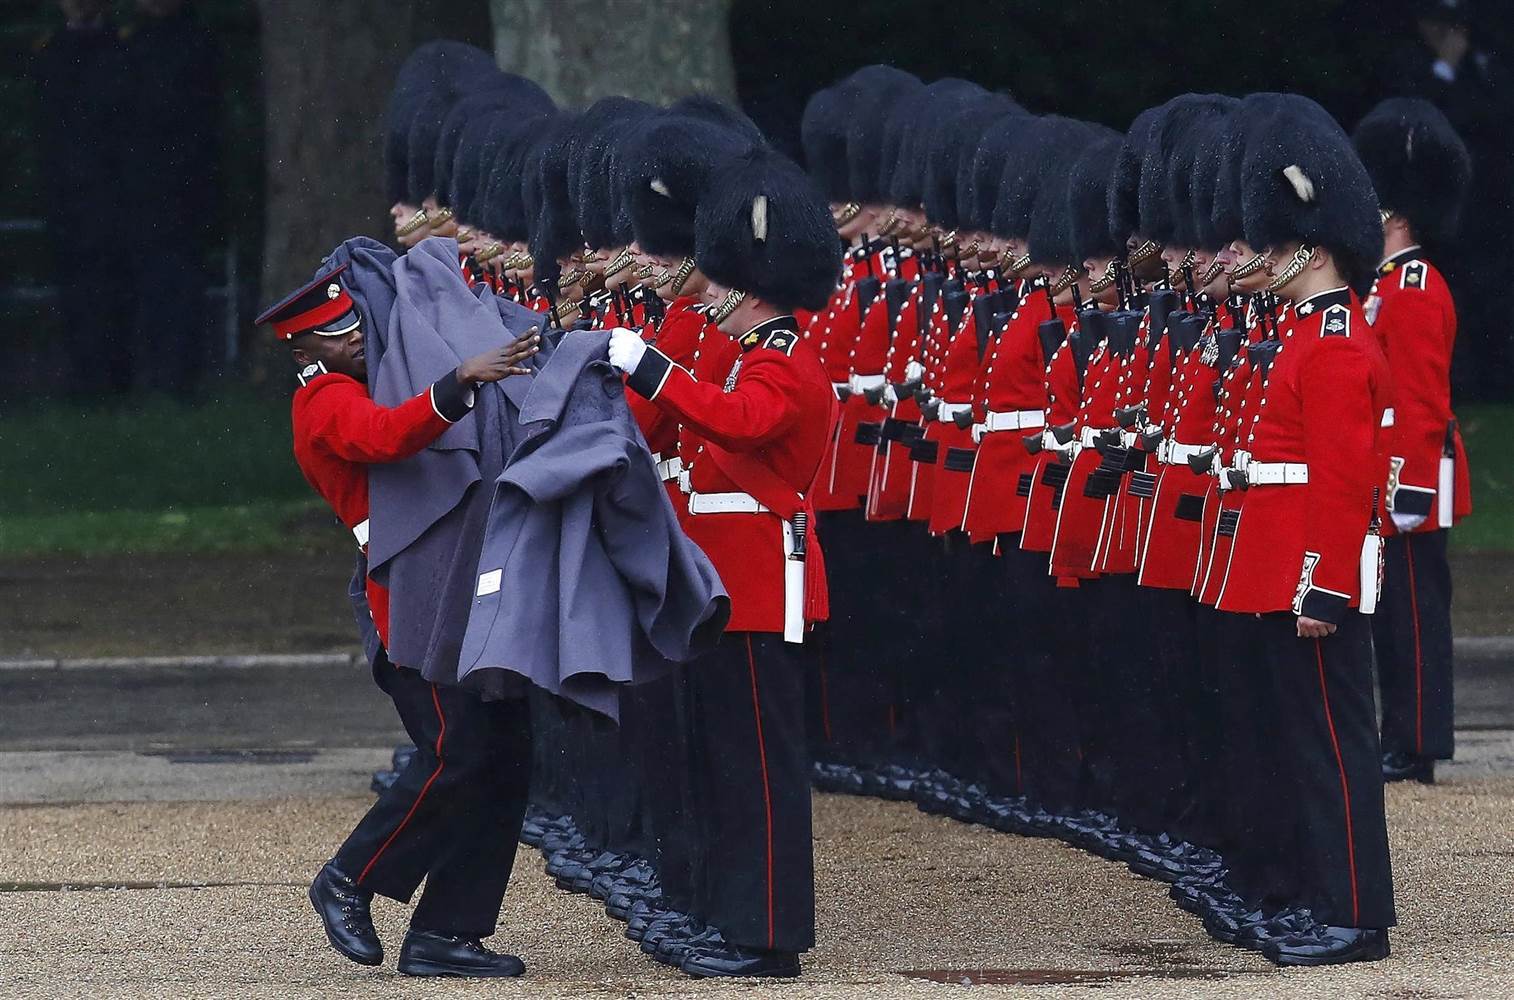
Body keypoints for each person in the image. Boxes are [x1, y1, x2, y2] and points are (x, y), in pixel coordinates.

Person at [256, 264, 541, 978]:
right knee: (457, 748)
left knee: (504, 755)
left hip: (452, 585)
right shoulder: (321, 398)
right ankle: (349, 877)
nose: (355, 341)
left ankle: (448, 930)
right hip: (407, 596)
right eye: (335, 334)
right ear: (304, 353)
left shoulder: (365, 375)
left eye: (356, 326)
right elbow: (384, 437)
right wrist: (461, 381)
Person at [609, 146, 841, 979]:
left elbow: (739, 424)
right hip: (721, 584)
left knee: (759, 774)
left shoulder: (787, 366)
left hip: (759, 586)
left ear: (749, 285)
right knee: (721, 765)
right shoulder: (749, 355)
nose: (707, 293)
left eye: (718, 282)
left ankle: (771, 938)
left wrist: (654, 365)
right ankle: (729, 916)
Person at [1353, 98, 1474, 784]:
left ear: (1395, 213)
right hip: (1392, 471)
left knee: (1415, 618)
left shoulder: (1417, 286)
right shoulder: (1390, 284)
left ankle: (1420, 741)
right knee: (1393, 615)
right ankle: (1401, 730)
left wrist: (1410, 488)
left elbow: (1422, 400)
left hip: (1414, 477)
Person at [30, 0, 131, 395]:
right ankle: (85, 378)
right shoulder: (51, 52)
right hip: (69, 194)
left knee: (114, 289)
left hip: (114, 191)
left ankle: (115, 379)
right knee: (76, 291)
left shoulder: (121, 49)